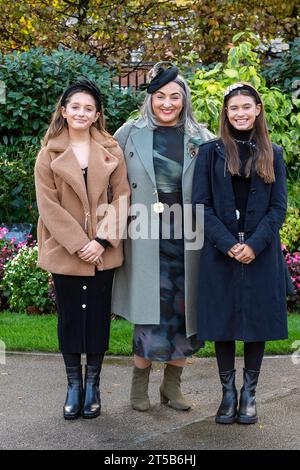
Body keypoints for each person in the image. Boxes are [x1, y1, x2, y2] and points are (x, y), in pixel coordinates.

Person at [112, 62, 214, 411]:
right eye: (160, 96)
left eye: (175, 97)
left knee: (187, 316)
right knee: (150, 313)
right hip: (144, 234)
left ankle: (172, 387)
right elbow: (109, 179)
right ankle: (138, 386)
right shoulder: (128, 133)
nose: (167, 103)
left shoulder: (202, 138)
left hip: (189, 237)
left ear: (184, 100)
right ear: (150, 99)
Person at [192, 82, 288, 424]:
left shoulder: (273, 154)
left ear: (258, 109)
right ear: (226, 113)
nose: (240, 113)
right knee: (223, 321)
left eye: (246, 106)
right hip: (221, 251)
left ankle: (249, 393)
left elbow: (278, 209)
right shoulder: (209, 153)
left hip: (261, 253)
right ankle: (227, 393)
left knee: (256, 323)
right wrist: (228, 243)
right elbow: (200, 206)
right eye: (233, 108)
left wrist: (254, 245)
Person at [35, 80, 130, 420]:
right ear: (64, 110)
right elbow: (48, 206)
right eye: (75, 106)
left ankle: (93, 385)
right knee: (71, 317)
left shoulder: (111, 149)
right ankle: (73, 385)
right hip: (65, 251)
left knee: (98, 319)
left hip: (103, 250)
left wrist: (102, 240)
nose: (81, 113)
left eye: (88, 108)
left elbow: (122, 197)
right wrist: (80, 245)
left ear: (96, 115)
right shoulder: (48, 153)